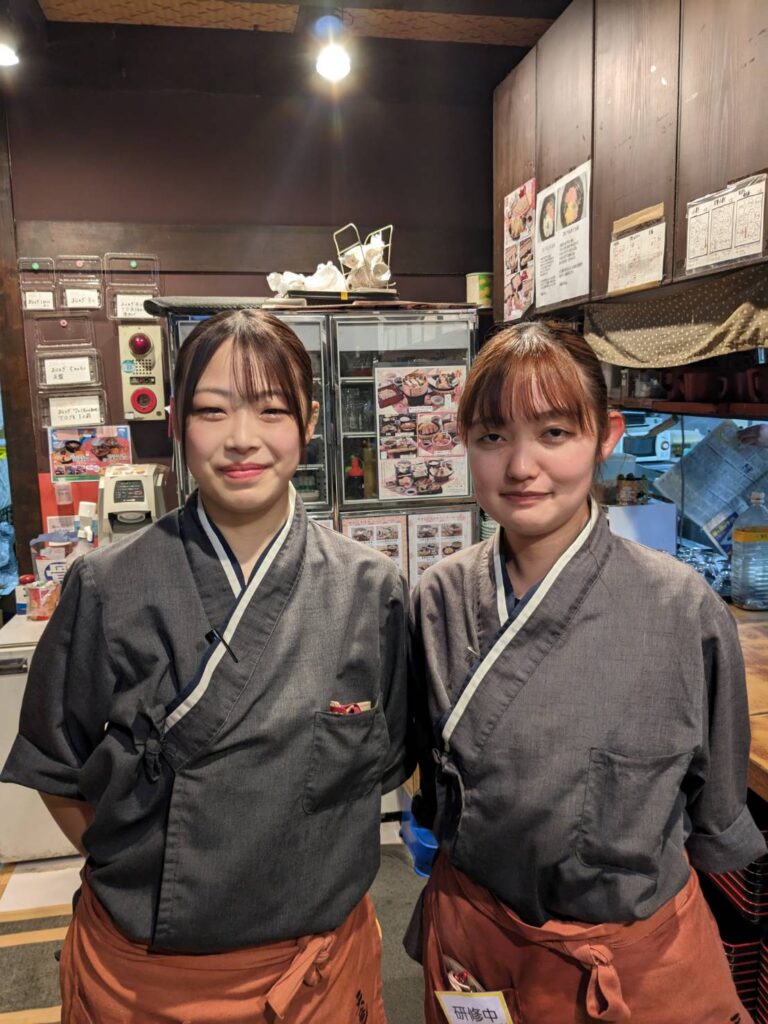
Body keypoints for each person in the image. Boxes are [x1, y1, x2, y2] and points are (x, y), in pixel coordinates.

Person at [2, 309, 409, 1023]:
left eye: (271, 410)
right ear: (177, 423)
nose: (241, 438)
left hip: (313, 969)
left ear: (310, 423)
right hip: (145, 973)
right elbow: (55, 765)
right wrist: (141, 870)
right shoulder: (107, 584)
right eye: (212, 411)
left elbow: (389, 761)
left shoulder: (370, 588)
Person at [406, 320, 765, 1023]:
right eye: (492, 436)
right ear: (465, 444)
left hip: (631, 962)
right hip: (479, 945)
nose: (521, 466)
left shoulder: (680, 606)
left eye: (554, 433)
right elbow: (425, 775)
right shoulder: (437, 598)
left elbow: (716, 808)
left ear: (606, 435)